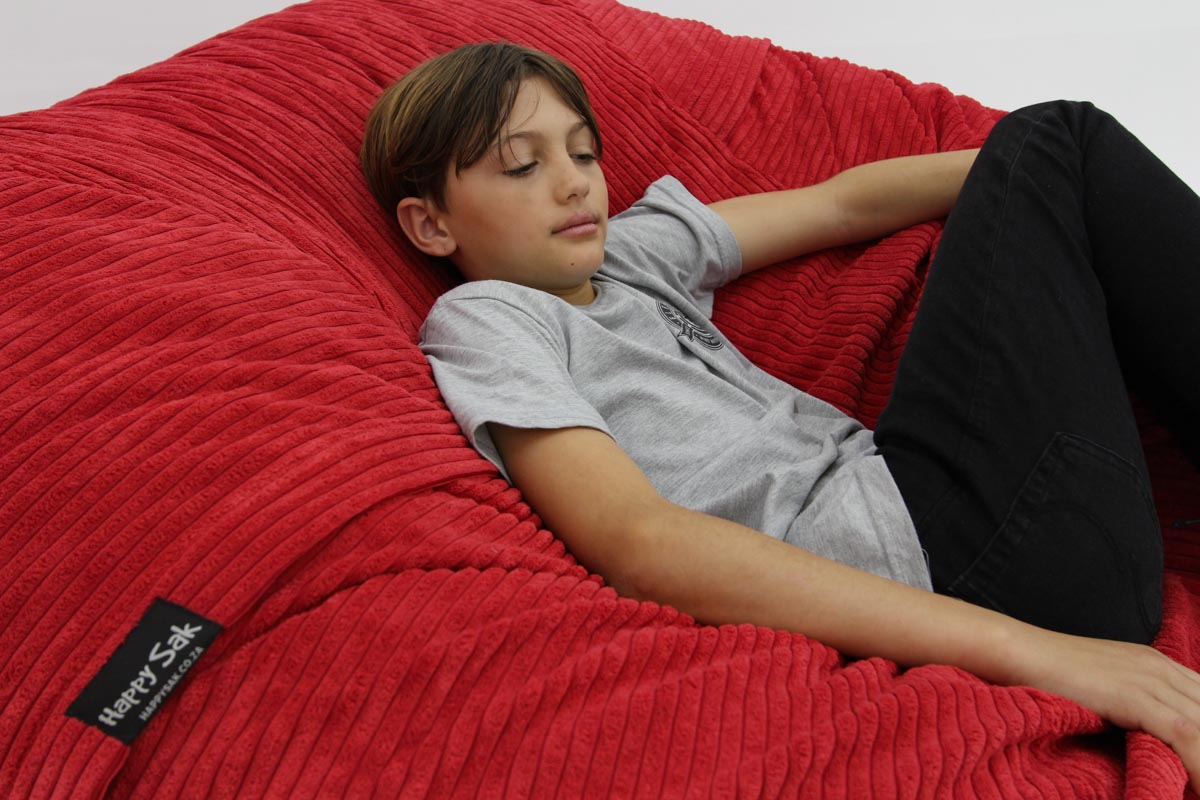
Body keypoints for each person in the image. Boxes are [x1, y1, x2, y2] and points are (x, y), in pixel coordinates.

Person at [361, 42, 1200, 788]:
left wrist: (1059, 180)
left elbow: (838, 206)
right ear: (431, 224)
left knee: (1058, 140)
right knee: (1056, 138)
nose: (574, 179)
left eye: (583, 151)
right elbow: (640, 544)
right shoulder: (492, 320)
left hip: (1001, 532)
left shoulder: (629, 256)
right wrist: (1039, 653)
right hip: (954, 563)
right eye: (522, 166)